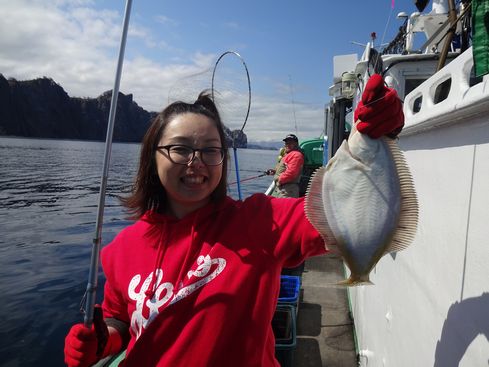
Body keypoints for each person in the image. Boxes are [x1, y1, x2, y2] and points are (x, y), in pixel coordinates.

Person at [64, 74, 404, 367]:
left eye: (211, 150)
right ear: (153, 156)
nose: (196, 162)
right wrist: (102, 341)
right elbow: (120, 319)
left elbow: (344, 213)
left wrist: (376, 136)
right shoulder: (121, 248)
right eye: (180, 149)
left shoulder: (262, 222)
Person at [267, 134, 304, 198]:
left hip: (288, 190)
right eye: (286, 143)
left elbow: (291, 173)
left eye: (290, 143)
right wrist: (275, 171)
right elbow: (283, 167)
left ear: (296, 144)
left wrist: (279, 180)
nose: (287, 145)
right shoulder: (288, 154)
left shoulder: (297, 155)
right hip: (281, 188)